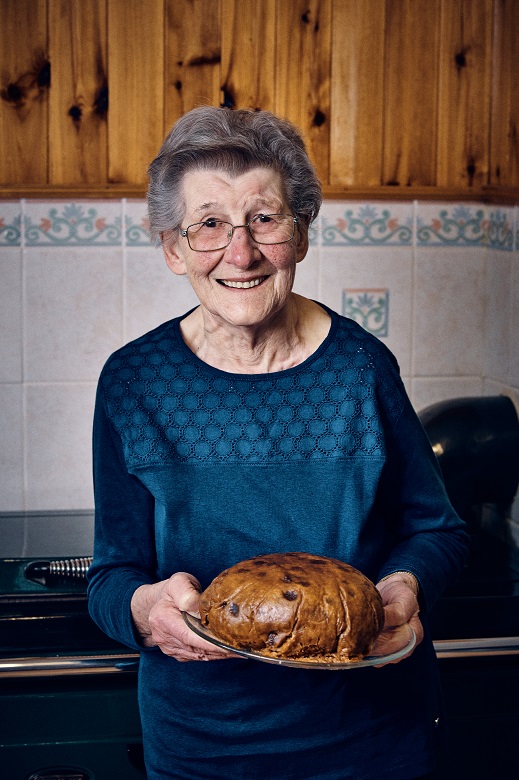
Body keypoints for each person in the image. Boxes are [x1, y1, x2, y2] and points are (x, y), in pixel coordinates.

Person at [87, 106, 469, 780]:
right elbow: (112, 575)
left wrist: (406, 587)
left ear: (299, 234)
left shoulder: (361, 367)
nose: (240, 253)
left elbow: (436, 530)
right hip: (206, 748)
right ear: (173, 249)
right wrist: (143, 611)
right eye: (207, 225)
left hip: (371, 739)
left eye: (264, 219)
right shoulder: (133, 381)